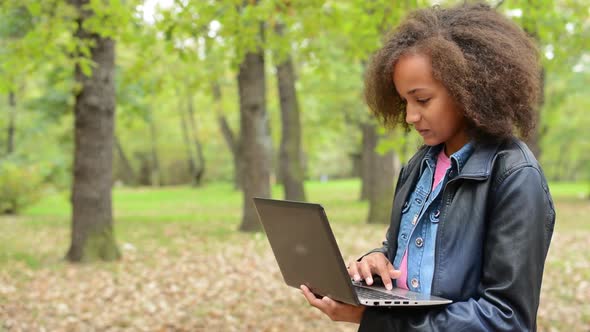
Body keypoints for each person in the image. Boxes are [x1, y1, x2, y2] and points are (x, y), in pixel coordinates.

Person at [300, 2, 555, 331]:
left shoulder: (514, 175)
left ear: (470, 90)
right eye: (404, 101)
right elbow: (405, 251)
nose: (410, 116)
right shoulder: (419, 165)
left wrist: (376, 319)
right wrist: (377, 262)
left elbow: (507, 319)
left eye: (422, 100)